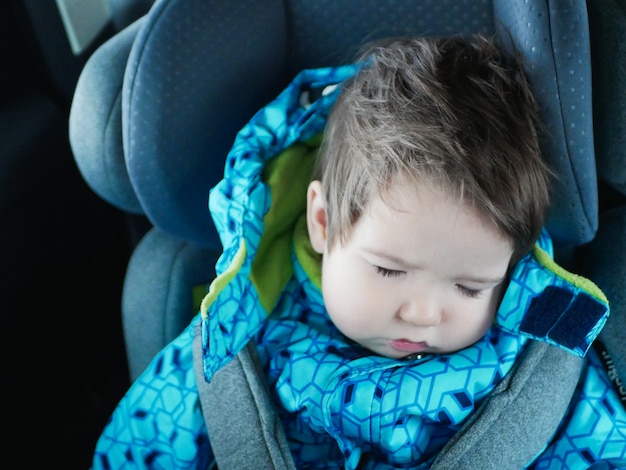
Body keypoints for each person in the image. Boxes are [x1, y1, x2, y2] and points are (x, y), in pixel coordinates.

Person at [91, 35, 625, 469]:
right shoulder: (238, 342)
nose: (422, 313)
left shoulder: (531, 364)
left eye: (470, 287)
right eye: (389, 270)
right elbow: (144, 445)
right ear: (323, 222)